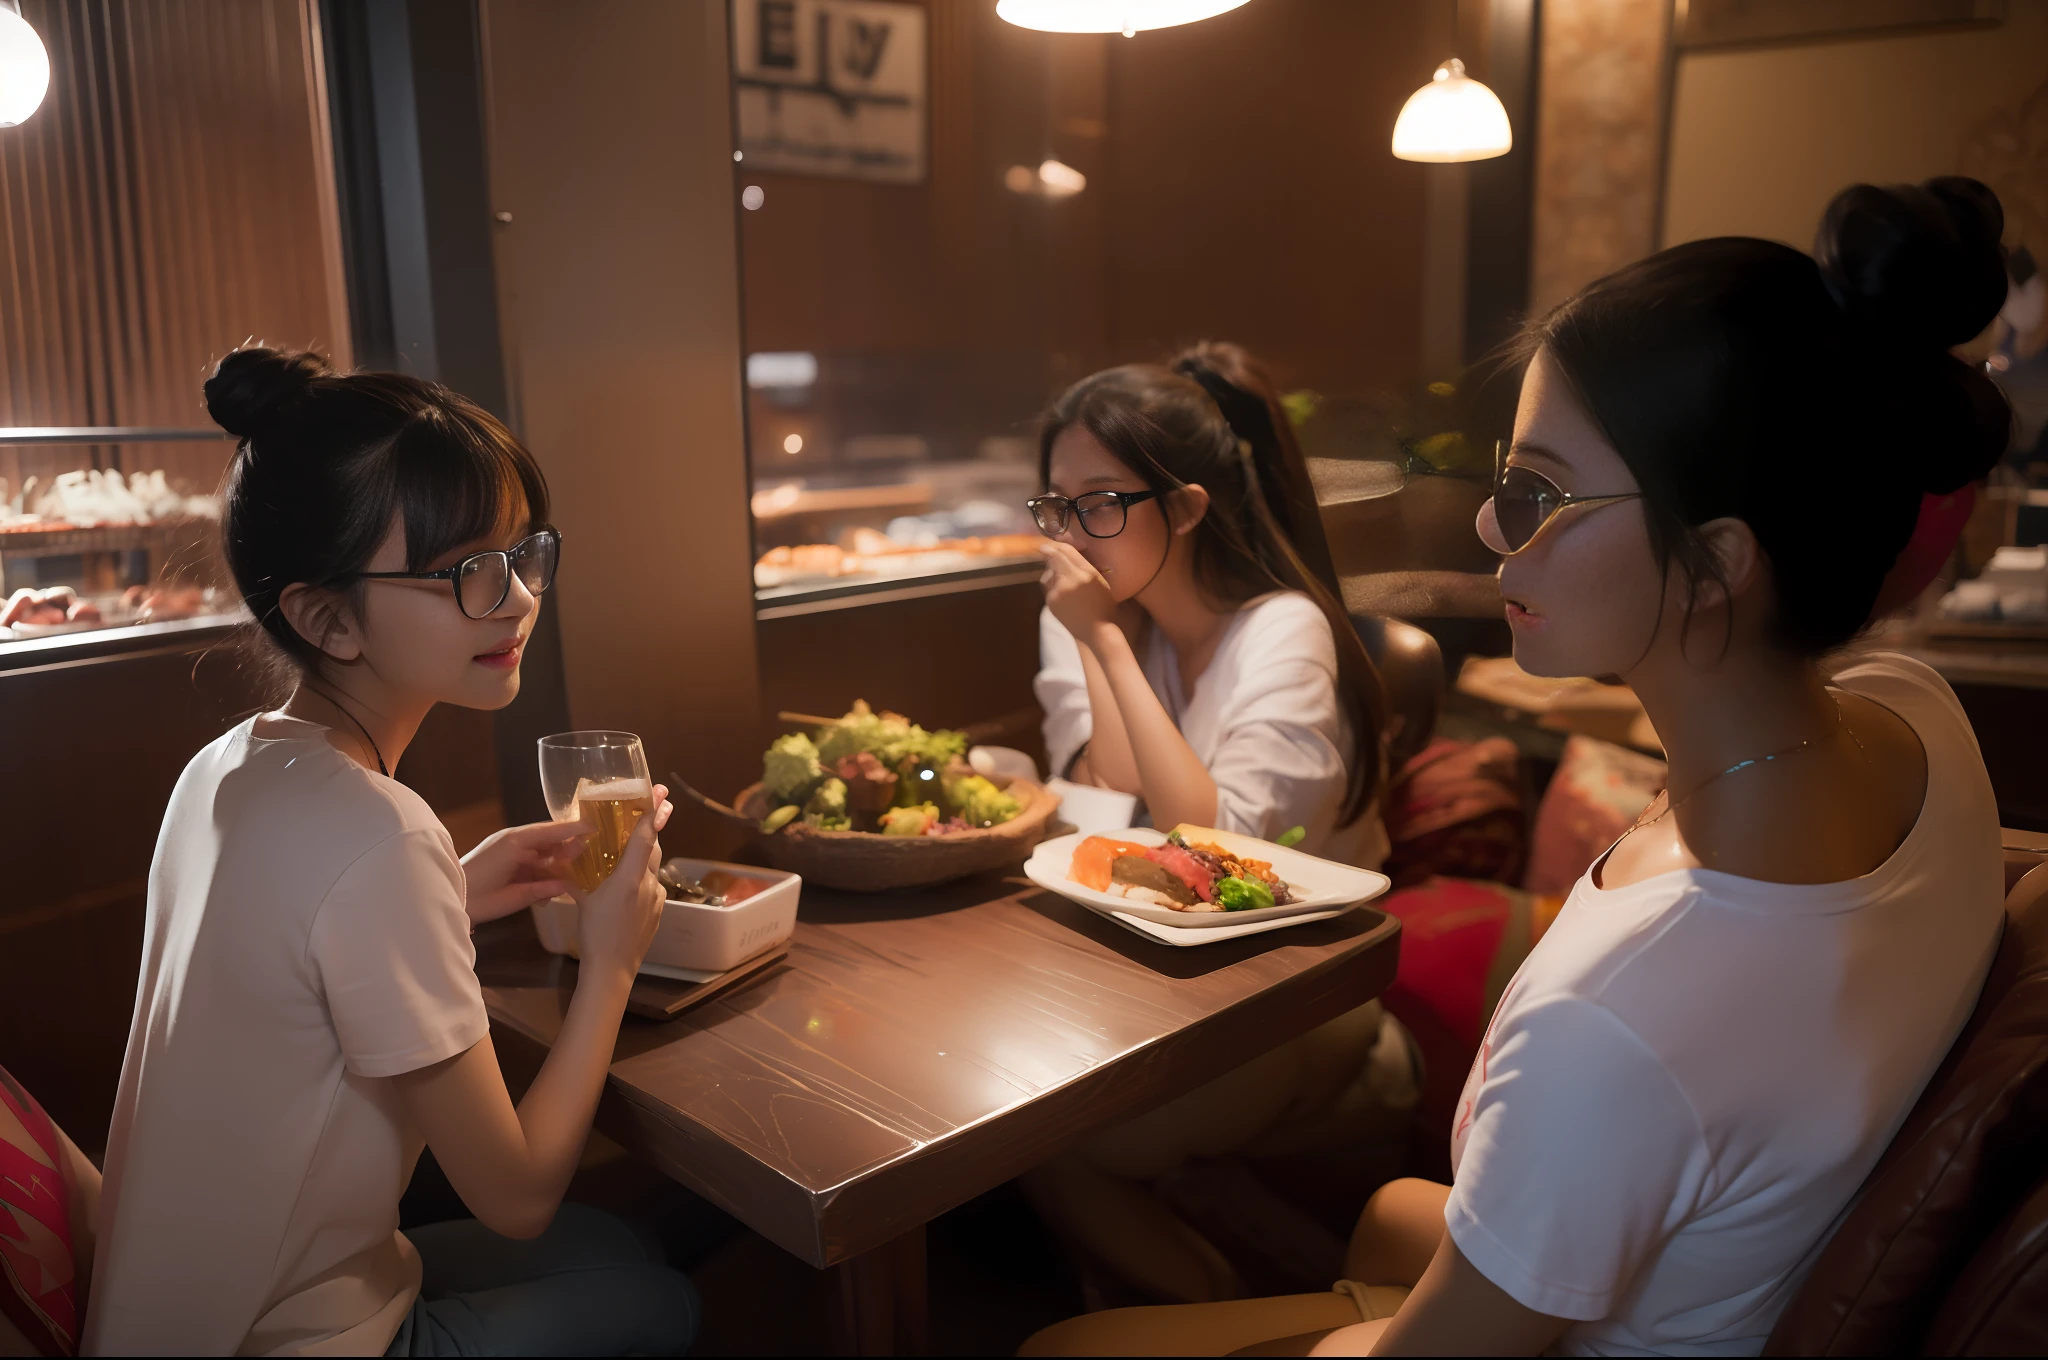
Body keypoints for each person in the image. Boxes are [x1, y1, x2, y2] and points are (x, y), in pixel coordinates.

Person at [1022, 177, 2012, 1356]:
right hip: (1717, 1259)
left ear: (1717, 560)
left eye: (1535, 493)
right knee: (1394, 1215)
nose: (1492, 530)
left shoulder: (1621, 1016)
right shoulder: (1915, 714)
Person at [83, 350, 698, 1356]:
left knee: (621, 1241)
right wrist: (613, 958)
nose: (514, 599)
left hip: (179, 1316)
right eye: (464, 572)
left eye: (521, 553)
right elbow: (518, 1195)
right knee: (657, 1297)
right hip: (289, 1337)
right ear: (325, 616)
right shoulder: (378, 831)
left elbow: (291, 964)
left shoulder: (224, 767)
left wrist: (453, 886)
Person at [1025, 343, 1417, 1306]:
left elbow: (1217, 842)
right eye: (1057, 505)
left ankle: (1225, 1318)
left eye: (1103, 502)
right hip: (1160, 979)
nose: (1075, 534)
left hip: (1300, 986)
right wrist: (1103, 640)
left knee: (1051, 1142)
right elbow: (1107, 789)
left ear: (1190, 507)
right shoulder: (1104, 616)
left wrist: (1106, 643)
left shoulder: (1281, 630)